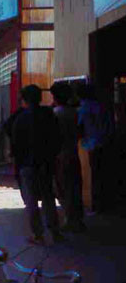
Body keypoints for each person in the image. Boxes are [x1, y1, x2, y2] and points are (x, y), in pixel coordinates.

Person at [12, 85, 63, 244]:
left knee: (31, 201)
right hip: (46, 163)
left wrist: (17, 163)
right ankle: (55, 232)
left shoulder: (20, 118)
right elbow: (57, 138)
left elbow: (16, 144)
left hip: (28, 165)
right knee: (48, 197)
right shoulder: (49, 114)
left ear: (24, 100)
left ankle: (38, 235)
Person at [50, 83, 86, 232]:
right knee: (75, 187)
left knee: (63, 188)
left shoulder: (55, 114)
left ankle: (70, 219)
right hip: (73, 152)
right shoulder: (75, 112)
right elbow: (81, 132)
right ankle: (77, 219)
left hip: (60, 154)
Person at [76, 84, 113, 213]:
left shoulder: (83, 108)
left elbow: (78, 127)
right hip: (104, 142)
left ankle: (93, 204)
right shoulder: (101, 107)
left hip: (89, 144)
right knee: (103, 175)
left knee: (91, 176)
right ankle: (104, 203)